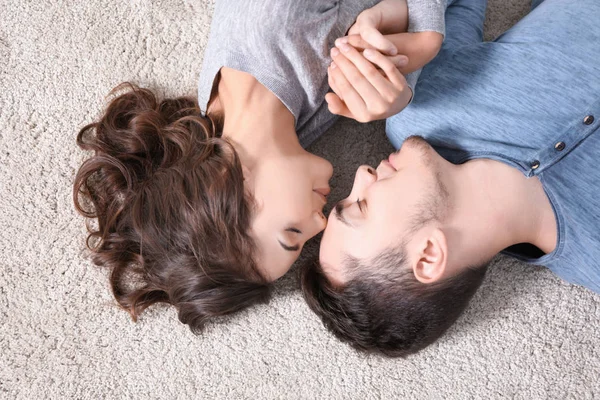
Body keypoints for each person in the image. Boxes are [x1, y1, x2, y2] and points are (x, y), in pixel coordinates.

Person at [73, 0, 447, 332]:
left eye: (292, 234)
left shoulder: (274, 21)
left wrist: (426, 41)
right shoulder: (272, 128)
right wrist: (398, 70)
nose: (321, 222)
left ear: (226, 179)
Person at [302, 0, 600, 357]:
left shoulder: (422, 115)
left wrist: (402, 25)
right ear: (429, 255)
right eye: (361, 206)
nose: (362, 174)